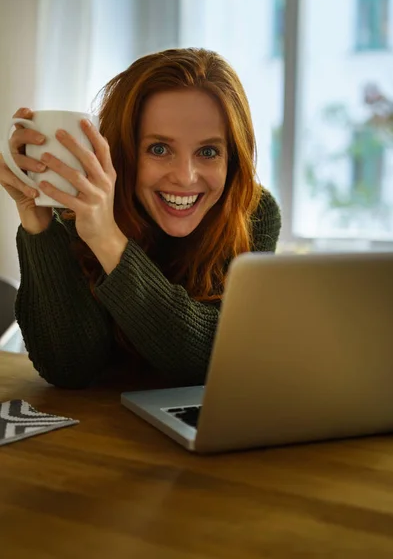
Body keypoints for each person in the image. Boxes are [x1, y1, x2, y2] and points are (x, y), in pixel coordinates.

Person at [0, 48, 281, 389]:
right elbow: (68, 368)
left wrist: (109, 240)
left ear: (232, 158)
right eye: (159, 149)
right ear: (123, 152)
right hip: (103, 431)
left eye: (208, 152)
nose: (185, 177)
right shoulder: (84, 210)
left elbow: (213, 361)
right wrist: (38, 221)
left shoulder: (253, 212)